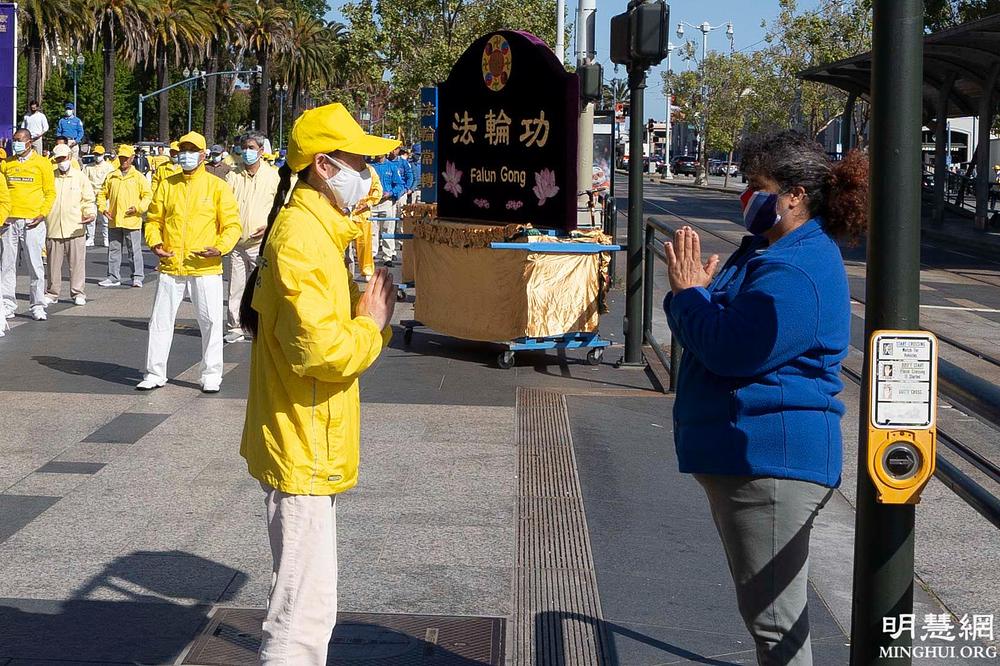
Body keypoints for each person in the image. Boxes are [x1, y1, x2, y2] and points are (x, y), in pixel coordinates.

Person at [663, 129, 868, 666]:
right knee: (770, 620)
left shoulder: (796, 268)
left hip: (770, 462)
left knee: (776, 626)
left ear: (794, 195)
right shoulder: (768, 250)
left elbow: (730, 348)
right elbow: (720, 323)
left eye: (757, 184)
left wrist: (689, 296)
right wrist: (698, 297)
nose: (745, 195)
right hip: (750, 454)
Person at [239, 103, 398, 665]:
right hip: (303, 440)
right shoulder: (303, 238)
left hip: (303, 436)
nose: (368, 174)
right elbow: (321, 350)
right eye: (359, 161)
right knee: (301, 617)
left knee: (307, 603)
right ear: (325, 166)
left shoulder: (314, 229)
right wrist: (370, 326)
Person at [138, 131, 241, 393]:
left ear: (203, 155)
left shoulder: (217, 187)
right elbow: (154, 220)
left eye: (192, 150)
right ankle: (154, 372)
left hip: (204, 266)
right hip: (171, 264)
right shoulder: (167, 185)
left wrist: (220, 248)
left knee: (210, 322)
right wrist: (155, 243)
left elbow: (232, 225)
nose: (186, 155)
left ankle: (211, 374)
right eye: (183, 150)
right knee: (160, 321)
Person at [223, 132, 280, 344]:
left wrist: (269, 227)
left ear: (261, 151)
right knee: (236, 287)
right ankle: (235, 326)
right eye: (244, 147)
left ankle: (264, 325)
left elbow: (281, 208)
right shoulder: (232, 176)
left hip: (261, 244)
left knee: (263, 285)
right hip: (237, 243)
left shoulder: (273, 176)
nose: (247, 151)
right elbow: (224, 206)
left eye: (251, 148)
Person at [0, 128, 56, 321]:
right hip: (9, 221)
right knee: (7, 265)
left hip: (32, 221)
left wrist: (42, 214)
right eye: (14, 140)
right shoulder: (7, 164)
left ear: (29, 142)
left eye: (19, 140)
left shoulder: (42, 163)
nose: (15, 143)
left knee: (35, 265)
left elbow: (50, 192)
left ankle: (38, 305)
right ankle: (7, 304)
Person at [46, 144, 96, 306]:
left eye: (63, 158)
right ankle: (52, 293)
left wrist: (90, 213)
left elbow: (88, 199)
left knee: (77, 264)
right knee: (53, 265)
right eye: (58, 159)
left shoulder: (80, 177)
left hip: (75, 227)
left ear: (70, 157)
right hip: (53, 226)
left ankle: (78, 293)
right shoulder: (50, 176)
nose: (61, 162)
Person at [98, 145, 152, 288]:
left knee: (134, 250)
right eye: (121, 158)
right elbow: (102, 194)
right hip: (114, 219)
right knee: (113, 249)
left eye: (126, 158)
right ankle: (113, 277)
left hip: (131, 219)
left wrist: (139, 208)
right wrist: (103, 208)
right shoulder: (111, 176)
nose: (123, 161)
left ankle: (137, 277)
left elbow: (148, 195)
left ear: (132, 158)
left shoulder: (138, 177)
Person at [350, 163, 383, 281]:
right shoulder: (339, 166)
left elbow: (377, 189)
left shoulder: (369, 169)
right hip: (343, 212)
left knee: (364, 243)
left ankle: (367, 270)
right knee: (342, 246)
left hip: (361, 213)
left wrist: (368, 203)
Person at [371, 153, 403, 267]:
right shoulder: (369, 167)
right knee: (372, 231)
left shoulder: (392, 167)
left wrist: (391, 193)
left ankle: (387, 256)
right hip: (372, 203)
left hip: (387, 202)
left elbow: (399, 185)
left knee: (388, 230)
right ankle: (371, 255)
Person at [84, 145, 116, 247]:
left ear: (103, 155)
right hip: (91, 195)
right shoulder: (88, 167)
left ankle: (106, 238)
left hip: (104, 196)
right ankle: (90, 238)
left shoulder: (109, 167)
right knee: (91, 217)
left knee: (105, 219)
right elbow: (84, 181)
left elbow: (111, 182)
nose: (97, 156)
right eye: (95, 154)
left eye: (99, 154)